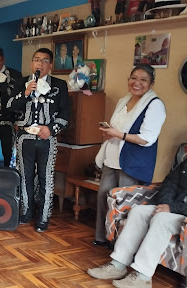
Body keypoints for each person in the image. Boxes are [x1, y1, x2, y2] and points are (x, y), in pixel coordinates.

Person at [93, 64, 166, 248]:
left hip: (133, 162)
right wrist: (110, 133)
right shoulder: (124, 100)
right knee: (104, 196)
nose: (137, 83)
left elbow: (146, 139)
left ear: (151, 83)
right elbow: (117, 127)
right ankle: (102, 237)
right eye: (134, 78)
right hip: (112, 157)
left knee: (124, 203)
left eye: (143, 80)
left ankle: (120, 244)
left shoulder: (155, 105)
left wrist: (119, 135)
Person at [87, 157, 187, 288]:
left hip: (182, 213)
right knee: (138, 211)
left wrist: (171, 209)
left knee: (161, 219)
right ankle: (118, 264)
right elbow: (171, 182)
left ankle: (142, 277)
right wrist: (165, 204)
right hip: (173, 207)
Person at [6, 48, 70, 232]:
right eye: (36, 60)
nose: (39, 64)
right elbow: (9, 107)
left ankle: (43, 217)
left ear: (50, 65)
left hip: (46, 138)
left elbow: (65, 114)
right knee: (25, 176)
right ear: (31, 63)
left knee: (46, 178)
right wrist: (25, 93)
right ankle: (27, 211)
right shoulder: (20, 83)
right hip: (24, 137)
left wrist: (51, 129)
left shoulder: (59, 85)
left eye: (44, 61)